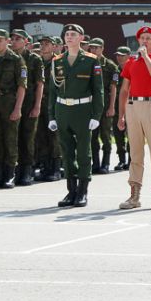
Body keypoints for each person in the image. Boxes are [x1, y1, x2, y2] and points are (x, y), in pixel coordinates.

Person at [48, 24, 104, 207]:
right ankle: (71, 191)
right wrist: (51, 116)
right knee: (66, 152)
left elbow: (98, 90)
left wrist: (96, 115)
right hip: (63, 110)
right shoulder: (57, 61)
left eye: (73, 34)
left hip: (82, 110)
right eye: (67, 34)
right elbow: (53, 91)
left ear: (81, 38)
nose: (69, 37)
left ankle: (82, 191)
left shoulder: (91, 60)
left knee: (83, 153)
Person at [116, 26, 151, 209]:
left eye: (148, 38)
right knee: (135, 153)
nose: (145, 41)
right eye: (142, 38)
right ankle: (134, 195)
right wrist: (121, 115)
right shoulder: (130, 62)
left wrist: (146, 58)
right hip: (133, 107)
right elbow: (124, 90)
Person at [0, 29, 27, 189]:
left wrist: (18, 108)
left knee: (10, 139)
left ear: (7, 41)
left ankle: (10, 174)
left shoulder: (16, 59)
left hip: (9, 101)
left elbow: (22, 86)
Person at [10, 30, 44, 186]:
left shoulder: (34, 59)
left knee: (27, 136)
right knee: (13, 137)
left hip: (29, 101)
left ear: (26, 42)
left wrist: (37, 106)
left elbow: (39, 84)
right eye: (12, 38)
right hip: (11, 101)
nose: (14, 41)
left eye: (18, 39)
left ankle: (27, 171)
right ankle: (15, 170)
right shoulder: (9, 57)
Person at [87, 37, 120, 175]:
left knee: (105, 135)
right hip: (90, 104)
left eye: (97, 47)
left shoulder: (111, 66)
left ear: (102, 49)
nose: (94, 50)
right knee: (92, 136)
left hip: (105, 104)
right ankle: (95, 164)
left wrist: (112, 107)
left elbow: (113, 88)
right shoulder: (86, 63)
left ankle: (105, 163)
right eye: (92, 47)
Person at [35, 35, 63, 182]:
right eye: (42, 44)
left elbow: (62, 85)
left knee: (54, 137)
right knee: (41, 136)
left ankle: (56, 169)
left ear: (54, 46)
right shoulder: (37, 61)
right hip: (39, 103)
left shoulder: (58, 63)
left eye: (47, 44)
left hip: (54, 104)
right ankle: (45, 168)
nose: (43, 46)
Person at [112, 46, 132, 171]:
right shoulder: (116, 70)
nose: (119, 58)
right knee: (118, 134)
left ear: (129, 56)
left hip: (131, 105)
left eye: (122, 55)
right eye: (118, 55)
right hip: (117, 106)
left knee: (131, 135)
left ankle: (131, 160)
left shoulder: (134, 69)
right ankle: (121, 160)